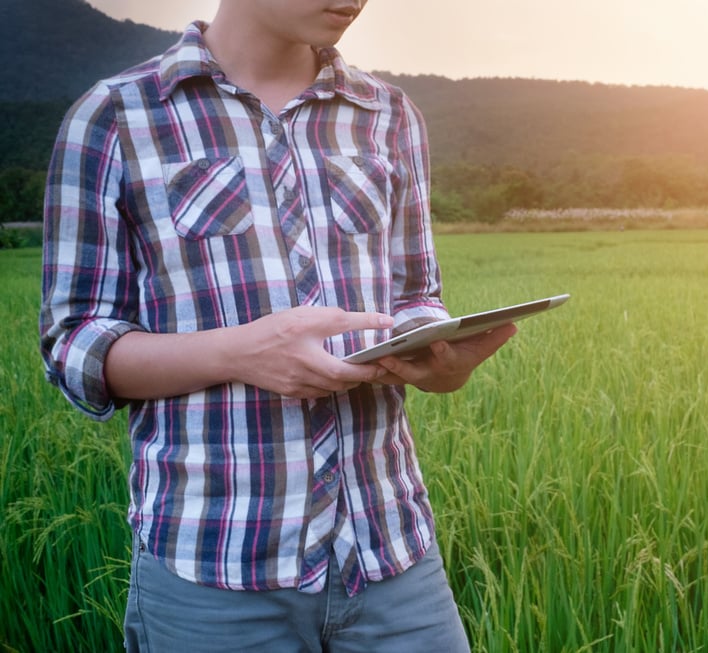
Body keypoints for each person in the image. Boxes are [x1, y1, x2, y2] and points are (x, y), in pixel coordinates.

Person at [39, 2, 516, 650]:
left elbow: (415, 291)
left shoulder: (388, 115)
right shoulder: (117, 118)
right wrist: (239, 352)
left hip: (390, 552)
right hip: (214, 568)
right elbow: (74, 341)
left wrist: (436, 350)